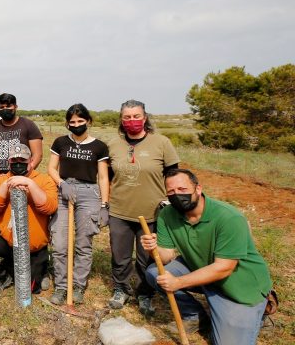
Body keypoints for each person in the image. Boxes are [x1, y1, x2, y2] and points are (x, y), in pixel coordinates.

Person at [141, 169, 273, 344]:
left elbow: (224, 267)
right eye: (171, 191)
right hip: (201, 268)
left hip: (239, 286)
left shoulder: (228, 217)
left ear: (198, 189)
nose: (177, 195)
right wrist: (153, 248)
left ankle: (259, 312)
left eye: (182, 189)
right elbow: (165, 257)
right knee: (155, 273)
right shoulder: (167, 214)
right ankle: (195, 315)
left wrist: (179, 282)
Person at [107, 99, 179, 315]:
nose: (132, 121)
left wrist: (170, 202)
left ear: (145, 117)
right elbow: (108, 176)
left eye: (136, 116)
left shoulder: (162, 143)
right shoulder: (113, 144)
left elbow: (173, 174)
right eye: (127, 117)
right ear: (121, 120)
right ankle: (121, 288)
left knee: (147, 257)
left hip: (152, 212)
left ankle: (145, 293)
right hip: (120, 209)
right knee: (120, 255)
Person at [47, 103, 110, 305]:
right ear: (67, 124)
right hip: (64, 190)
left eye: (80, 121)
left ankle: (79, 286)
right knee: (59, 243)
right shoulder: (60, 142)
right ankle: (61, 286)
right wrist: (61, 183)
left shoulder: (99, 146)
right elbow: (51, 168)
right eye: (72, 122)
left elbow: (103, 177)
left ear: (88, 121)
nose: (76, 124)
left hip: (89, 192)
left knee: (83, 243)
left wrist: (104, 205)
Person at [0, 144, 58, 296]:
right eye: (13, 160)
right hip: (8, 240)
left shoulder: (44, 180)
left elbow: (50, 208)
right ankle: (0, 277)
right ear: (8, 162)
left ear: (31, 161)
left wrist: (30, 185)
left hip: (33, 246)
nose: (17, 163)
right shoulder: (1, 180)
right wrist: (6, 186)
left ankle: (42, 269)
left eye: (22, 160)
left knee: (31, 290)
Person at [0, 93, 43, 178]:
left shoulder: (28, 125)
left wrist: (27, 172)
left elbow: (38, 154)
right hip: (2, 176)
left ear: (15, 107)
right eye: (2, 107)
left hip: (25, 176)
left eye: (8, 106)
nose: (5, 109)